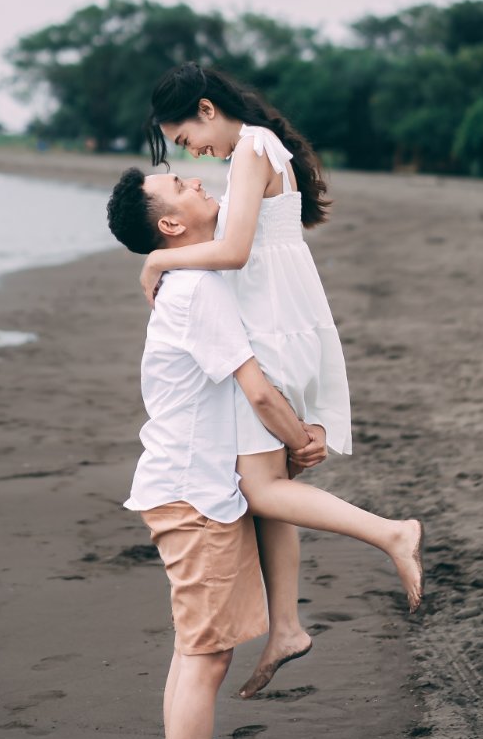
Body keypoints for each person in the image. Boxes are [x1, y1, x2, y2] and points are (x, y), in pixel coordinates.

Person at [141, 62, 423, 696]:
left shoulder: (251, 149)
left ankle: (392, 533)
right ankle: (287, 626)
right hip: (284, 327)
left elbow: (236, 251)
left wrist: (158, 257)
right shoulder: (259, 148)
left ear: (207, 110)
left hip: (270, 334)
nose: (194, 152)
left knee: (261, 488)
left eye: (187, 139)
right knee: (271, 487)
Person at [110, 170, 327, 739]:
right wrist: (301, 440)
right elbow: (256, 390)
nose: (197, 179)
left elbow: (251, 213)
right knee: (204, 658)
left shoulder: (190, 274)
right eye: (179, 182)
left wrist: (157, 257)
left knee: (196, 653)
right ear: (170, 223)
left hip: (192, 488)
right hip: (193, 495)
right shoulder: (196, 290)